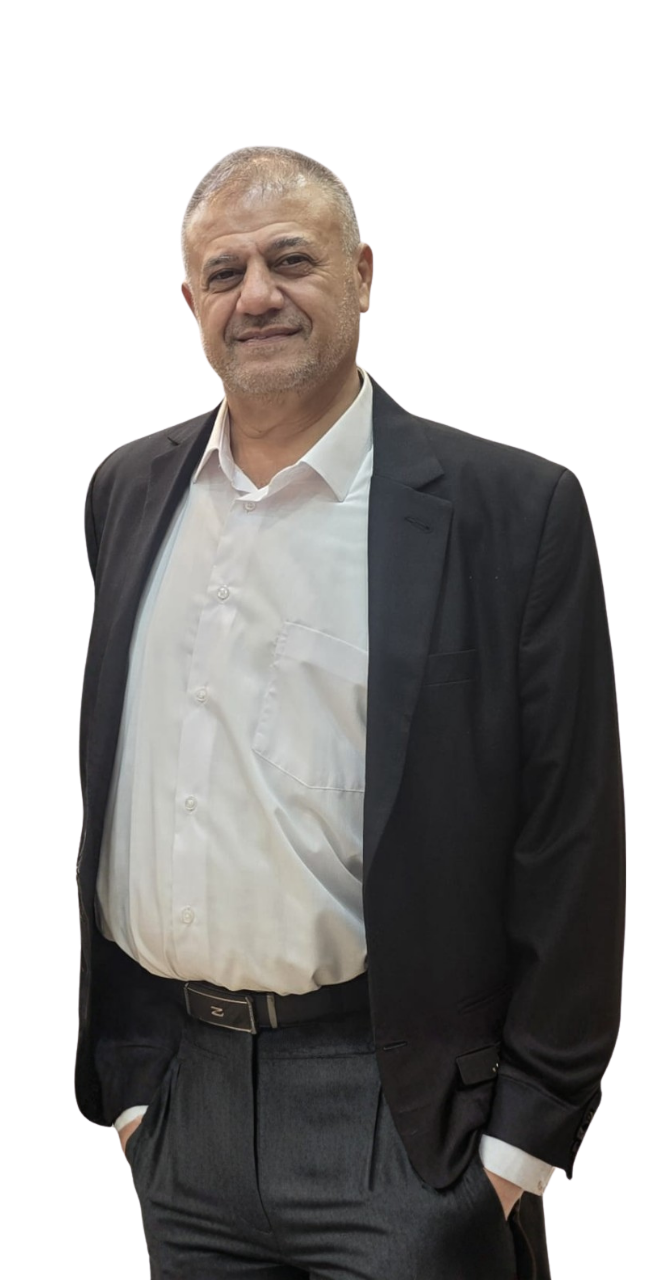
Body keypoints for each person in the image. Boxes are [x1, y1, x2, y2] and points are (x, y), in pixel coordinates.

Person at [75, 145, 625, 1279]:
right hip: (180, 1103)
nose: (256, 295)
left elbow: (571, 836)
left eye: (291, 260)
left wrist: (520, 1142)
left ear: (363, 273)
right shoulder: (127, 489)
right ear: (188, 300)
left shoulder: (509, 509)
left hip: (404, 1115)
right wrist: (132, 1094)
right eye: (222, 273)